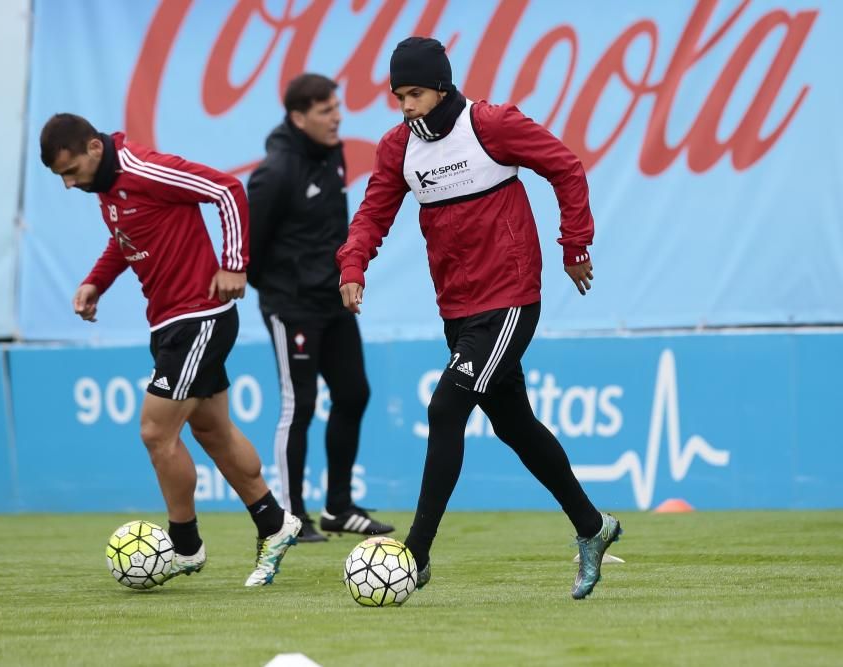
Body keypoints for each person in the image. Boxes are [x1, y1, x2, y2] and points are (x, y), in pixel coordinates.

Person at [335, 37, 622, 600]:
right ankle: (593, 527)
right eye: (398, 96)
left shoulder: (491, 124)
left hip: (511, 297)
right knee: (514, 424)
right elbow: (373, 213)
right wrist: (353, 265)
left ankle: (414, 555)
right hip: (458, 307)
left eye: (415, 93)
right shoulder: (397, 149)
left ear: (441, 86)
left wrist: (576, 246)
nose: (407, 106)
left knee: (445, 409)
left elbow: (566, 167)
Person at [39, 113, 301, 587]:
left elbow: (226, 190)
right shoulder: (107, 187)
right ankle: (274, 522)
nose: (68, 183)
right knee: (213, 431)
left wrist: (235, 264)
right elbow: (126, 240)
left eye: (70, 170)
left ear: (94, 149)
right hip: (169, 322)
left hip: (199, 317)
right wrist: (96, 281)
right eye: (61, 177)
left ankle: (184, 546)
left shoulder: (144, 168)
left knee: (155, 432)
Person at [246, 73, 393, 542]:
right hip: (291, 306)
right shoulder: (274, 172)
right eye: (327, 110)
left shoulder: (332, 154)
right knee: (300, 405)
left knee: (354, 393)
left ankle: (339, 508)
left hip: (331, 301)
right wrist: (284, 292)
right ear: (298, 117)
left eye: (337, 106)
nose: (338, 117)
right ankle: (290, 518)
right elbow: (250, 252)